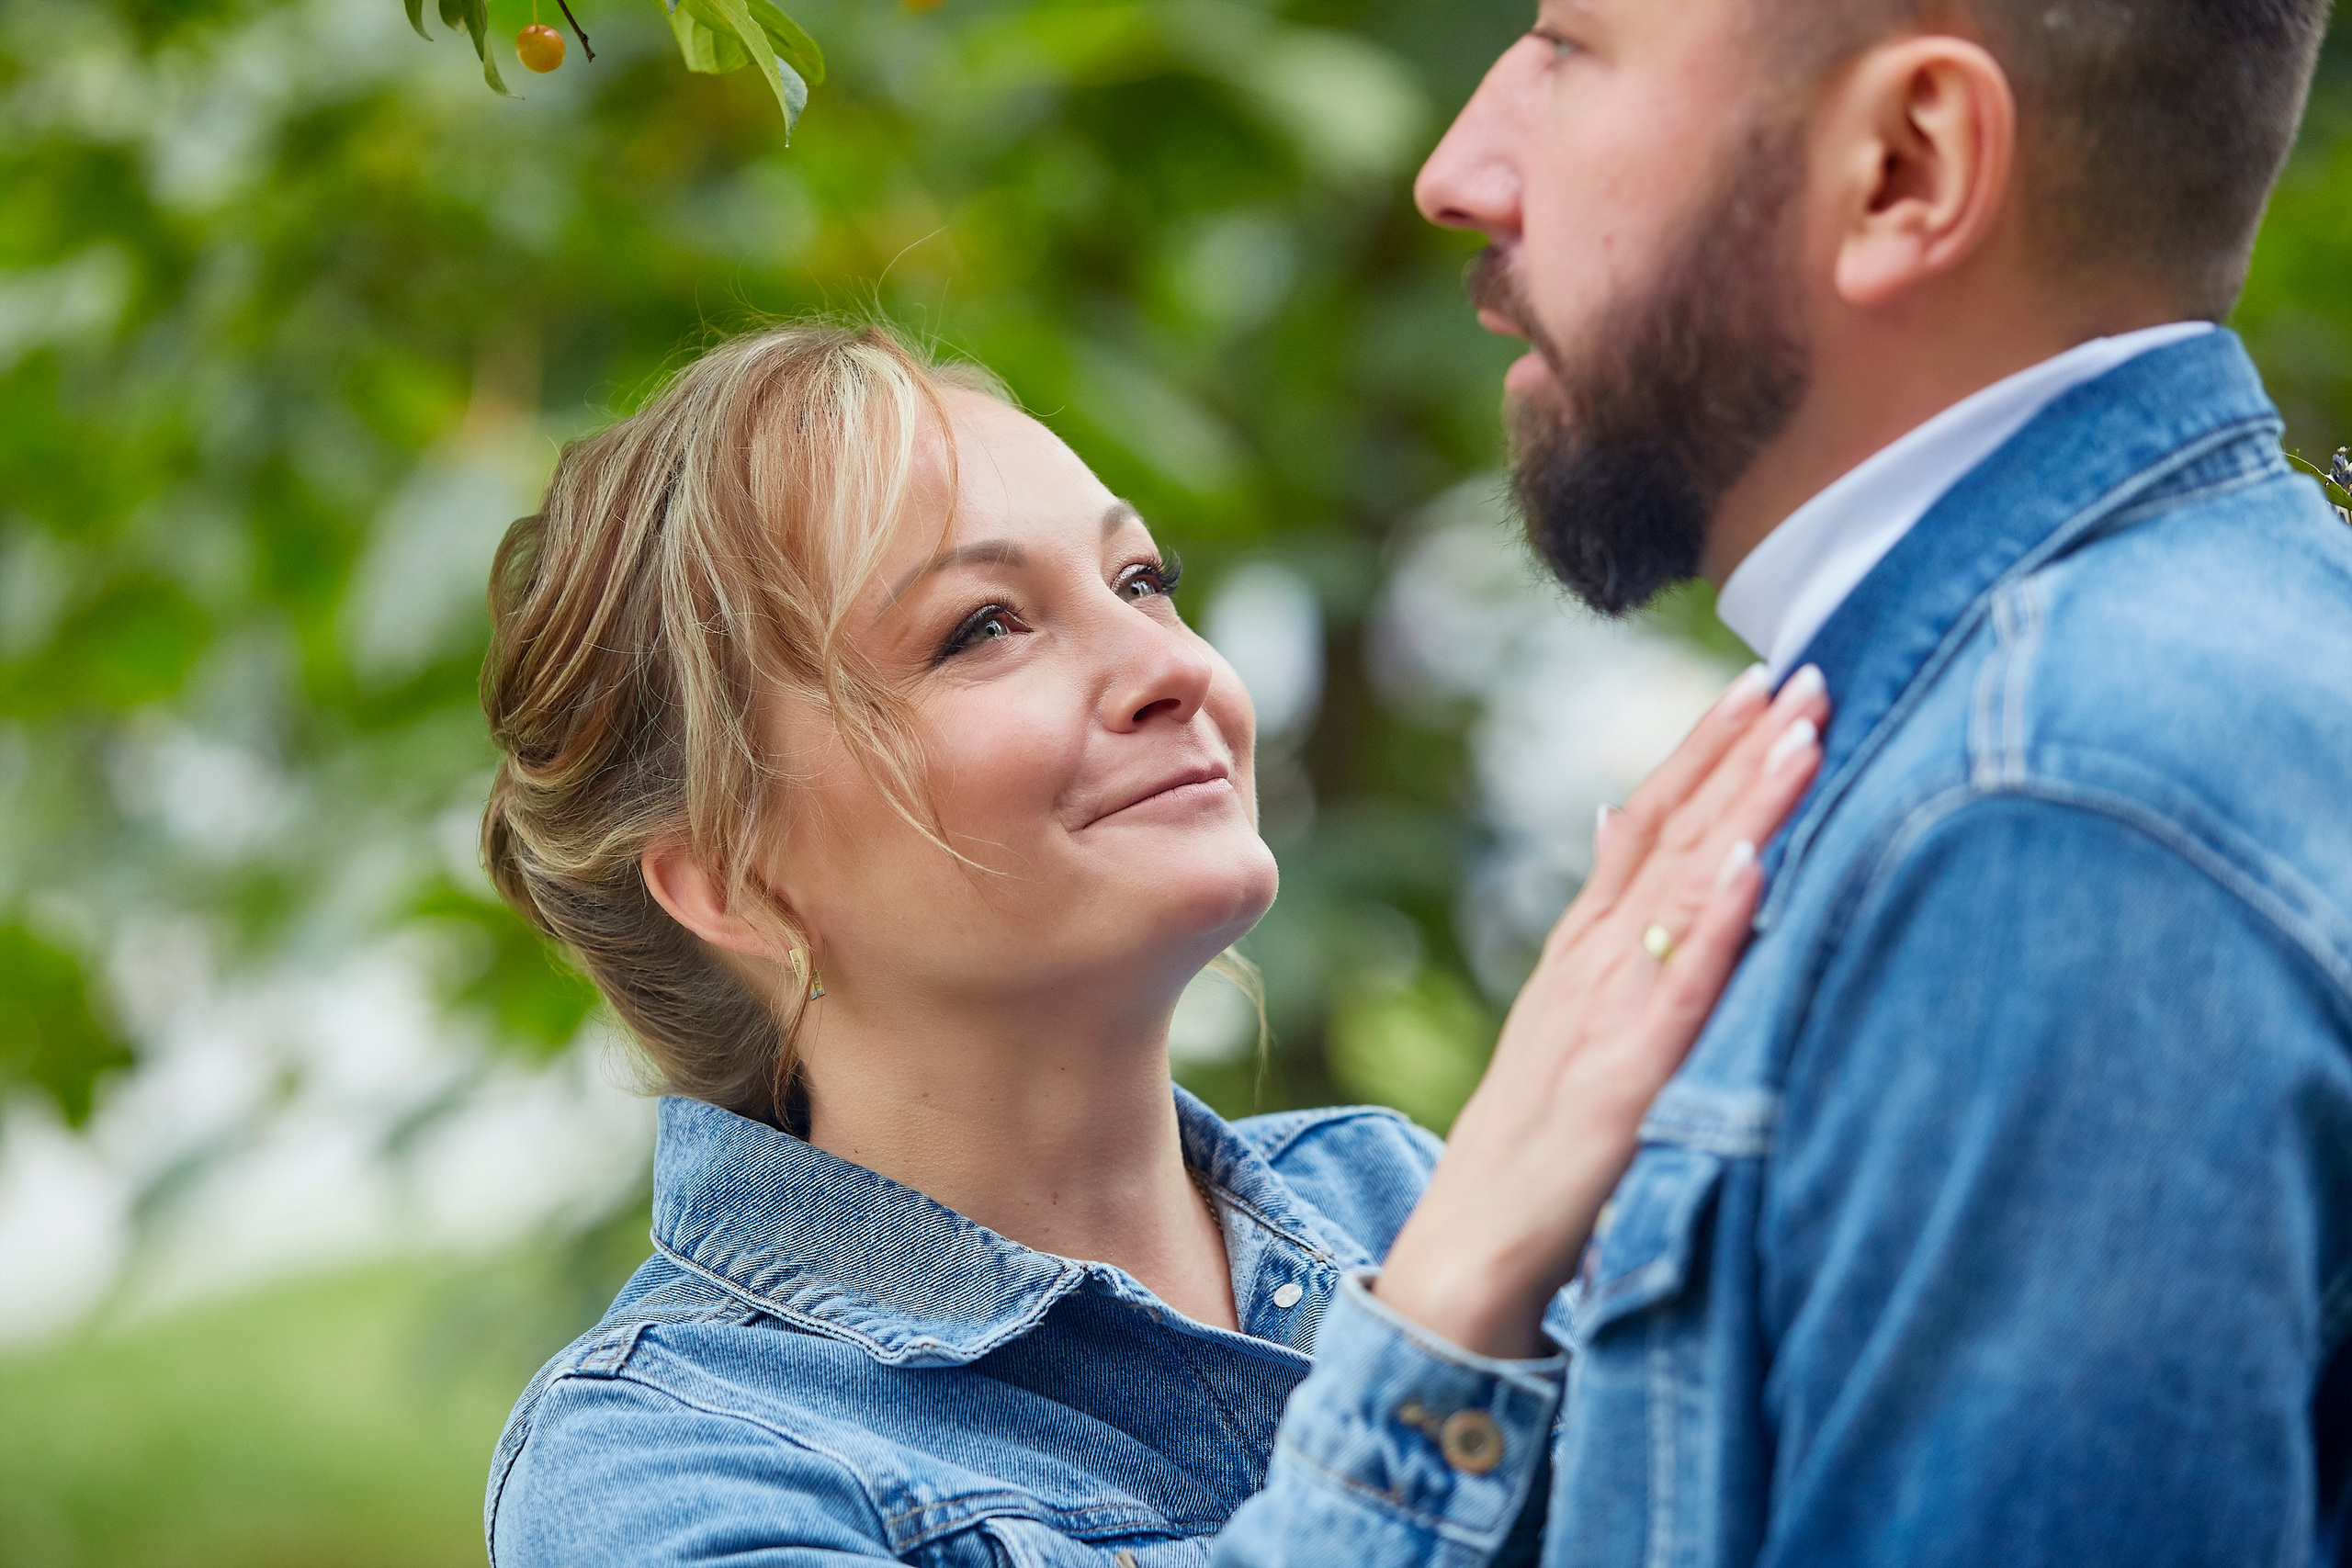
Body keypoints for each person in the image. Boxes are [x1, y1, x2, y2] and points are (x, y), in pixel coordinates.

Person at [475, 324, 1829, 1566]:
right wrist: (1447, 1322)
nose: (1175, 667)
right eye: (982, 629)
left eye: (1143, 581)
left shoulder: (1397, 1193)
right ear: (731, 883)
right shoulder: (661, 1465)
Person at [1414, 2, 2352, 1563]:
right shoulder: (2169, 689)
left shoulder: (2048, 818)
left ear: (1907, 168)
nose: (1461, 171)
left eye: (1570, 49)